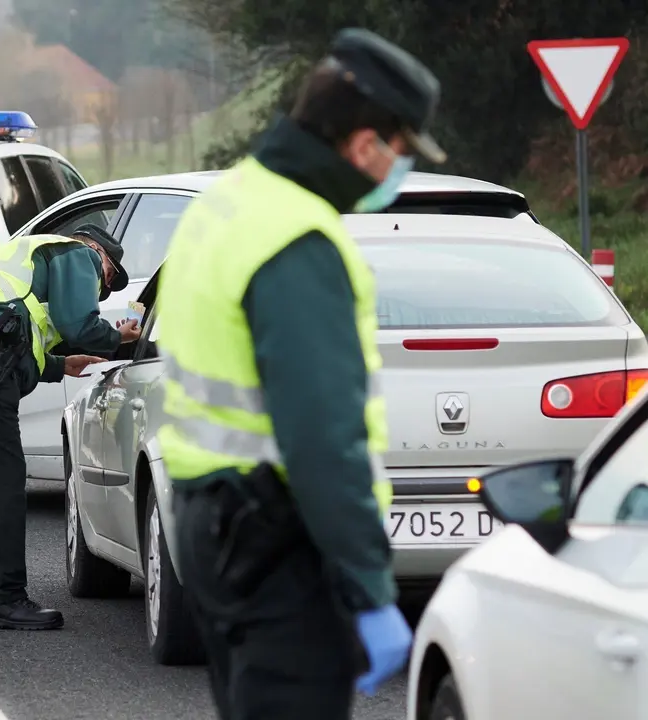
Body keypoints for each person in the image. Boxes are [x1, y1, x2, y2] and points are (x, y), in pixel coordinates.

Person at [155, 28, 445, 719]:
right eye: (401, 154)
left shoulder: (226, 204)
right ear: (365, 144)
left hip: (209, 522)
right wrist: (372, 588)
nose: (394, 175)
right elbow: (323, 440)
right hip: (278, 541)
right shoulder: (297, 240)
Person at [0, 224, 142, 631]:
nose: (101, 289)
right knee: (0, 478)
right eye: (106, 280)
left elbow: (7, 327)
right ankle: (2, 599)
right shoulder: (77, 253)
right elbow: (78, 326)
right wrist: (117, 337)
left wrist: (59, 365)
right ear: (98, 253)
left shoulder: (16, 254)